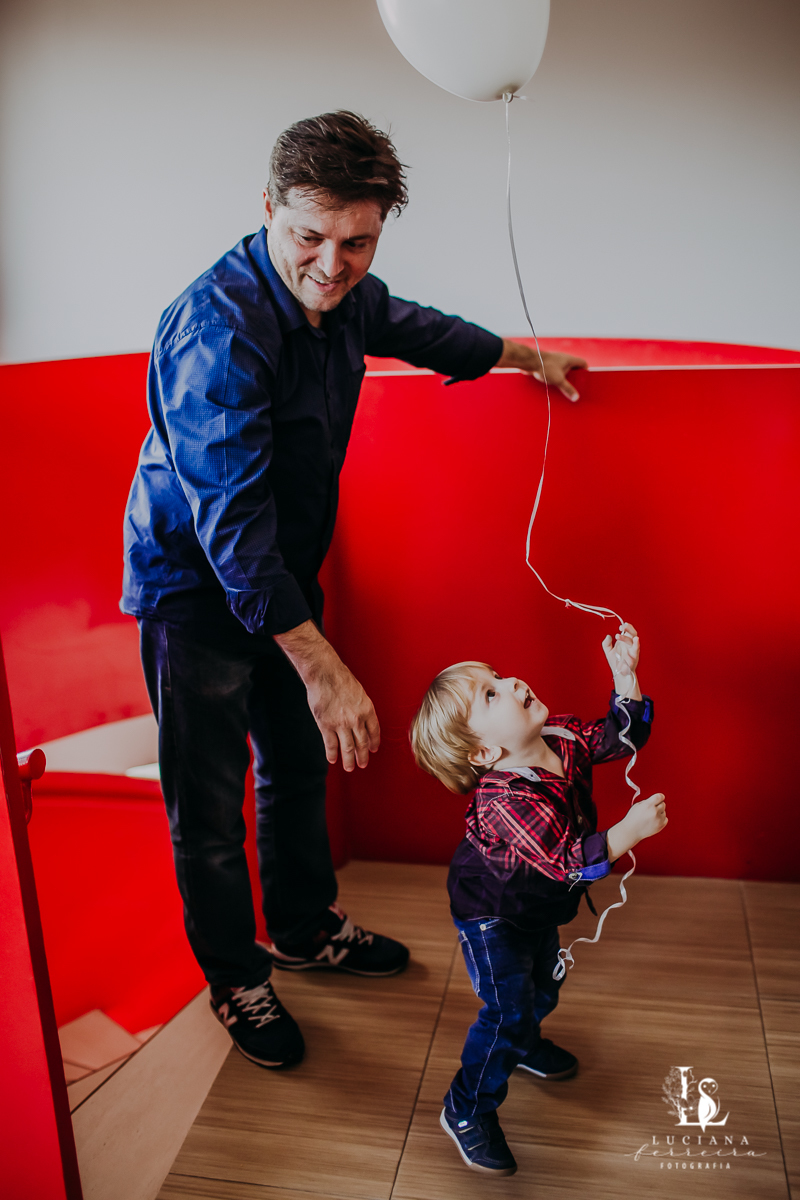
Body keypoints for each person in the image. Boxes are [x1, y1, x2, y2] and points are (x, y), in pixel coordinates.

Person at [121, 111, 587, 1072]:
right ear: (267, 209)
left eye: (357, 243)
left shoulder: (348, 294)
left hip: (281, 582)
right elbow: (232, 530)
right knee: (206, 811)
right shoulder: (217, 331)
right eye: (309, 237)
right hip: (195, 592)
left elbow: (423, 328)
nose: (331, 266)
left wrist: (525, 357)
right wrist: (323, 666)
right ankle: (236, 977)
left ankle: (302, 927)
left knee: (297, 766)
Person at [410, 624, 666, 1176]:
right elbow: (569, 860)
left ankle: (524, 1043)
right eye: (491, 694)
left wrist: (626, 678)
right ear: (485, 751)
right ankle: (466, 1107)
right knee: (506, 1010)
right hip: (491, 915)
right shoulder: (504, 798)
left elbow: (618, 738)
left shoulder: (560, 737)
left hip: (535, 904)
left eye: (499, 676)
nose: (511, 683)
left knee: (545, 984)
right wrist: (628, 832)